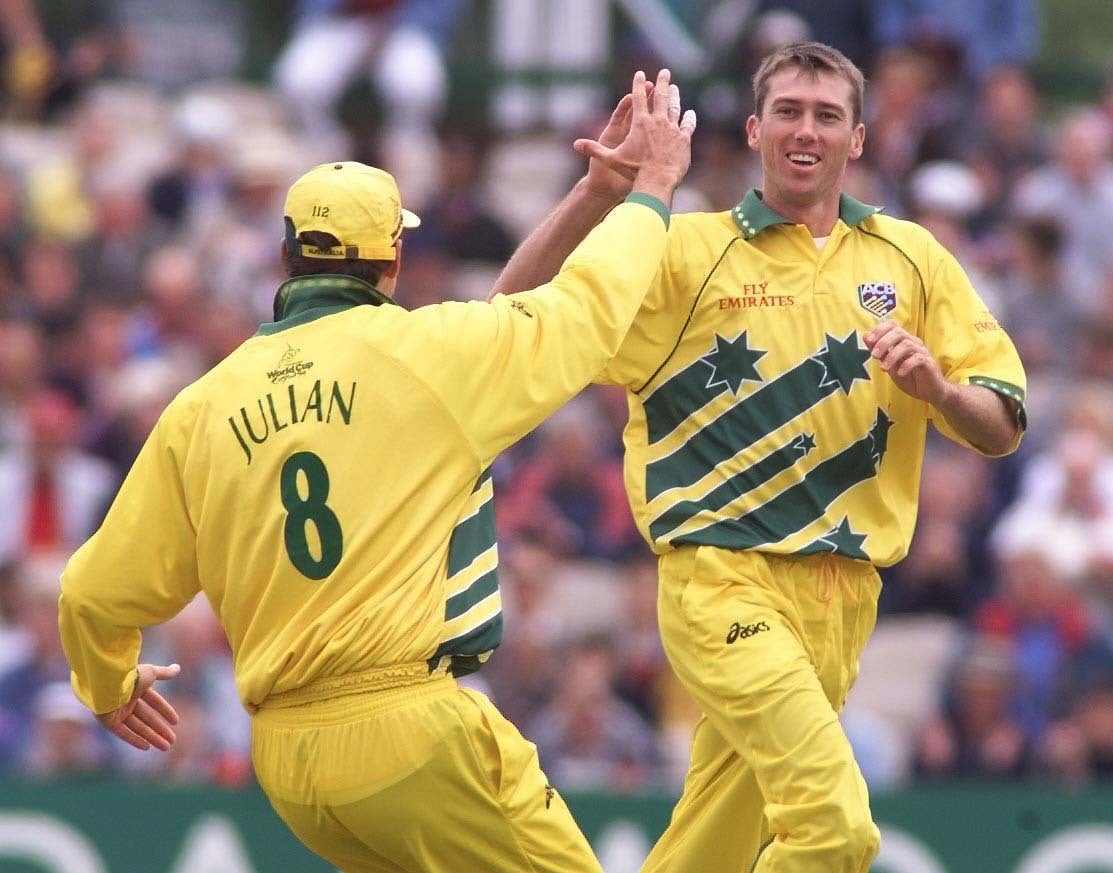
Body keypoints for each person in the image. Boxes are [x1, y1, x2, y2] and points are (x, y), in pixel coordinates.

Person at [57, 69, 696, 873]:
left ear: (286, 255)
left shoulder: (201, 406)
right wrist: (652, 189)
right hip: (408, 731)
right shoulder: (432, 357)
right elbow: (590, 305)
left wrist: (107, 682)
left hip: (289, 763)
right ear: (394, 256)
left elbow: (90, 592)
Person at [491, 42, 1027, 872]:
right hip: (723, 580)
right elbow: (512, 314)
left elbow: (1000, 422)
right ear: (752, 129)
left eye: (825, 115)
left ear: (856, 140)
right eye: (786, 111)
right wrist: (601, 192)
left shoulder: (911, 257)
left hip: (843, 600)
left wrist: (941, 392)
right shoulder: (682, 250)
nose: (803, 130)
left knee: (708, 850)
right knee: (835, 831)